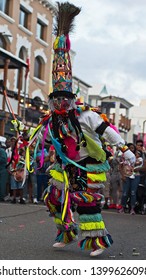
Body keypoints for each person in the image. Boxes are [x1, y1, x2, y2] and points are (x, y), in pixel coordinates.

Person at [11, 2, 135, 257]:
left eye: (64, 98)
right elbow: (42, 142)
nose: (60, 102)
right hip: (65, 165)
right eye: (56, 98)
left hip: (88, 164)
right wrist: (25, 148)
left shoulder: (86, 115)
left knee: (86, 203)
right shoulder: (52, 118)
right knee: (54, 198)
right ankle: (66, 231)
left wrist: (124, 150)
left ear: (71, 98)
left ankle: (96, 242)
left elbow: (108, 130)